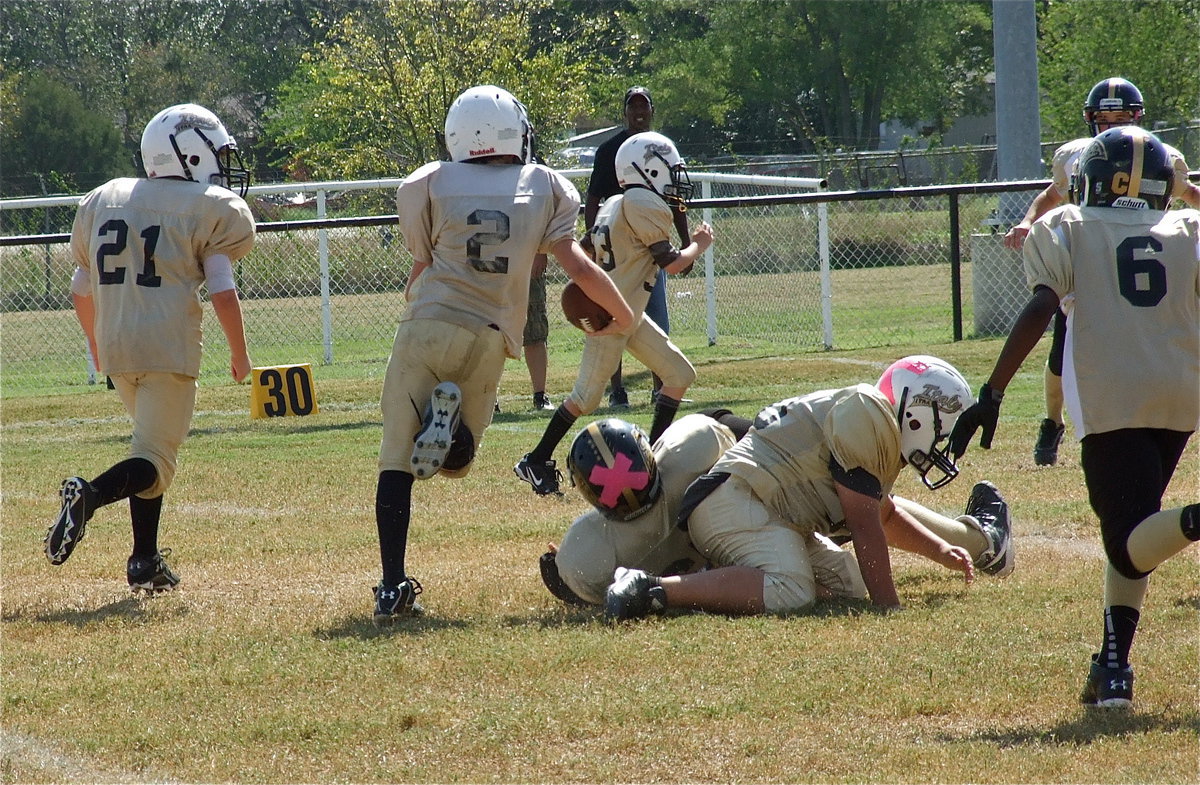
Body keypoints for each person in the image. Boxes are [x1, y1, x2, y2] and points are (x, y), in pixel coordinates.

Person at [952, 127, 1199, 711]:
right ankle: (1114, 666)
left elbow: (1042, 305)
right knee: (1137, 532)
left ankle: (1194, 521)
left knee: (1126, 542)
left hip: (1112, 396)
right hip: (1182, 393)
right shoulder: (1189, 229)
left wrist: (992, 390)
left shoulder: (1065, 226)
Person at [372, 85, 634, 626]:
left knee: (396, 461)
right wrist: (623, 312)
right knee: (460, 463)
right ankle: (455, 431)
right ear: (514, 133)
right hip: (490, 335)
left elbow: (422, 263)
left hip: (426, 324)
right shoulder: (542, 185)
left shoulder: (428, 182)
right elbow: (579, 268)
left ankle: (393, 584)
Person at [603, 356, 995, 620]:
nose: (944, 442)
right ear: (916, 413)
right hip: (735, 499)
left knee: (851, 585)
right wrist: (889, 608)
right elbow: (863, 524)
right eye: (944, 427)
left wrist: (940, 550)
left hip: (767, 512)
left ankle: (731, 578)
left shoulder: (876, 426)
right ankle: (652, 589)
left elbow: (882, 513)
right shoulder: (868, 413)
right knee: (791, 590)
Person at [45, 103, 255, 593]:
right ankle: (89, 496)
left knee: (147, 447)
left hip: (118, 345)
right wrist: (240, 354)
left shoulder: (105, 199)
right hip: (168, 345)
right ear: (189, 154)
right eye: (218, 153)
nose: (223, 164)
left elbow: (81, 288)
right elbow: (222, 289)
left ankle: (144, 560)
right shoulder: (209, 209)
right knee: (156, 460)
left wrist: (97, 347)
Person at [544, 406, 1013, 610]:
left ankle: (978, 540)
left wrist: (563, 573)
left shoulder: (588, 554)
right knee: (858, 503)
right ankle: (982, 540)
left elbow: (575, 583)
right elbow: (734, 433)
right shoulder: (691, 448)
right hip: (750, 520)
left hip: (729, 539)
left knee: (852, 540)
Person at [1002, 77, 1200, 466]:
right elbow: (1053, 193)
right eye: (1103, 117)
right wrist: (1027, 221)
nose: (1111, 124)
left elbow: (1189, 193)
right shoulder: (1075, 156)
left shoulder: (1161, 155)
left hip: (1144, 265)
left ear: (1137, 117)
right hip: (1089, 267)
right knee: (1062, 354)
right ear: (1091, 120)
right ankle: (1052, 421)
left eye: (1120, 116)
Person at [514, 131, 714, 497]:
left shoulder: (617, 201)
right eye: (668, 168)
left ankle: (652, 458)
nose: (673, 176)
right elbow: (671, 265)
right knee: (585, 398)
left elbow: (589, 246)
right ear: (648, 170)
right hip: (613, 320)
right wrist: (698, 245)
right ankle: (536, 459)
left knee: (679, 373)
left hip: (627, 313)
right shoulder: (645, 204)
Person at [585, 86, 689, 408]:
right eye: (634, 107)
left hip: (651, 244)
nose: (639, 112)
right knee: (612, 318)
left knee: (655, 318)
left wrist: (685, 240)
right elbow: (593, 198)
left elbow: (675, 197)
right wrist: (593, 235)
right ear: (625, 111)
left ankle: (661, 388)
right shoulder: (609, 151)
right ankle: (616, 390)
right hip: (621, 246)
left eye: (644, 106)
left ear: (652, 111)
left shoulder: (661, 148)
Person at [523, 253, 555, 411]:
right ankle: (490, 397)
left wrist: (541, 252)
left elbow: (541, 226)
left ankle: (540, 396)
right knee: (492, 332)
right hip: (495, 264)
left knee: (535, 331)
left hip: (527, 259)